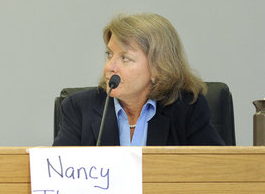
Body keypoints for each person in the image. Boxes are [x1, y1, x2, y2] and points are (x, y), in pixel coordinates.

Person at [53, 13, 224, 146]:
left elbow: (217, 171)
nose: (110, 67)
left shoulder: (187, 109)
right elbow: (57, 174)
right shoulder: (79, 108)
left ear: (158, 68)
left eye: (125, 58)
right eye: (109, 54)